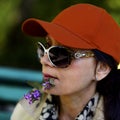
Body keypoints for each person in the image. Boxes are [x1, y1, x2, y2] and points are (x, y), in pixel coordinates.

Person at [11, 3, 120, 120]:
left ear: (101, 68)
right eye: (44, 49)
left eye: (61, 54)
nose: (44, 60)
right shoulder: (32, 100)